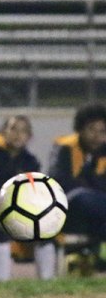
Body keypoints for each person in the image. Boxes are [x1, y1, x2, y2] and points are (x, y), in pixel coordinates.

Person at [0, 115, 57, 280]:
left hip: (19, 213)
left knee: (44, 231)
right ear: (4, 131)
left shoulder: (31, 162)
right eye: (13, 129)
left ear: (29, 136)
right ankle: (3, 283)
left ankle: (47, 283)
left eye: (23, 131)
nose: (18, 135)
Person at [48, 103, 106, 243]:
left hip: (95, 212)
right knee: (84, 197)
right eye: (91, 129)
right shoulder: (65, 148)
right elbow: (61, 182)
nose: (96, 136)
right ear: (80, 129)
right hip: (67, 208)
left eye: (102, 131)